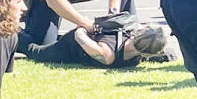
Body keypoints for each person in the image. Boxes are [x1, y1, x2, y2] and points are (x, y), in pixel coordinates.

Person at [22, 24, 167, 68]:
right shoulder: (134, 57)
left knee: (37, 49)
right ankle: (17, 34)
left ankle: (16, 34)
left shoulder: (109, 52)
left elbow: (79, 35)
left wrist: (86, 27)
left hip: (76, 45)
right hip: (75, 45)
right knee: (38, 48)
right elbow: (79, 36)